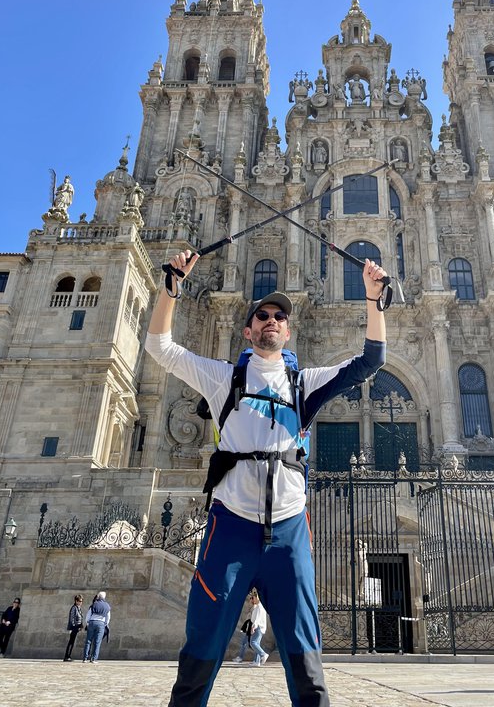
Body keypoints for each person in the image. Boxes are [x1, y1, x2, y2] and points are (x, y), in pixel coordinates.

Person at [146, 252, 387, 707]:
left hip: (290, 529)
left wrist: (373, 299)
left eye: (280, 316)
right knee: (202, 646)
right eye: (263, 315)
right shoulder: (223, 379)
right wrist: (171, 287)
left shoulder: (306, 384)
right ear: (248, 330)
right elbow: (160, 347)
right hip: (230, 526)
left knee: (304, 653)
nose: (272, 320)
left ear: (288, 330)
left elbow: (371, 360)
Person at [82, 591, 111, 663]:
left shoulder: (94, 604)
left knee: (88, 641)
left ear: (98, 597)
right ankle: (94, 659)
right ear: (104, 597)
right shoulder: (107, 606)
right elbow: (108, 617)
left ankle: (85, 658)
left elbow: (88, 615)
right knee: (97, 642)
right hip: (101, 623)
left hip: (92, 622)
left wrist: (88, 623)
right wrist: (105, 624)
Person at [63, 594, 83, 661]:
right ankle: (67, 656)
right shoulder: (74, 608)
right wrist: (73, 627)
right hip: (74, 627)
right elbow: (72, 618)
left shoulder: (78, 608)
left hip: (77, 627)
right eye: (79, 601)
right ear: (76, 601)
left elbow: (80, 617)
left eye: (81, 601)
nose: (80, 603)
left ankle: (69, 655)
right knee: (71, 642)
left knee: (72, 642)